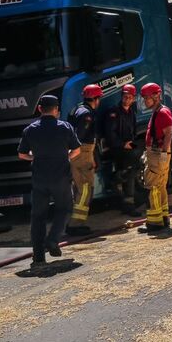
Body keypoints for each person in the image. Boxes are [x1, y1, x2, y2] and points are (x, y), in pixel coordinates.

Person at [18, 95, 80, 270]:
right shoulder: (65, 127)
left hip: (39, 179)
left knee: (38, 217)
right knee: (65, 208)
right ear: (56, 110)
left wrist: (34, 157)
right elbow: (77, 149)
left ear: (39, 109)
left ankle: (38, 256)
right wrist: (66, 157)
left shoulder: (30, 130)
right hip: (60, 177)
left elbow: (22, 154)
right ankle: (53, 239)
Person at [138, 83, 172, 235]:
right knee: (160, 187)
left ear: (156, 96)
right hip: (156, 153)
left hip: (157, 153)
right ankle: (163, 218)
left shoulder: (162, 113)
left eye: (147, 98)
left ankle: (154, 223)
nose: (145, 101)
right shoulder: (158, 112)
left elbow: (168, 134)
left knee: (152, 187)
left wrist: (163, 155)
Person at [66, 84, 102, 236]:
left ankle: (75, 223)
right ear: (96, 98)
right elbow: (80, 137)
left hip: (82, 154)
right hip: (82, 154)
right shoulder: (87, 114)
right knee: (86, 189)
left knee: (79, 189)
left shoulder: (76, 109)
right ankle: (75, 225)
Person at [105, 84, 141, 215]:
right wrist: (122, 144)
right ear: (122, 97)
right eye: (125, 97)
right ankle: (128, 205)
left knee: (139, 160)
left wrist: (132, 143)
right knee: (131, 168)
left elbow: (134, 130)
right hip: (118, 148)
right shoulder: (114, 112)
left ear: (133, 99)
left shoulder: (131, 112)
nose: (127, 99)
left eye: (130, 97)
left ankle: (119, 177)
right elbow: (110, 133)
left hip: (128, 145)